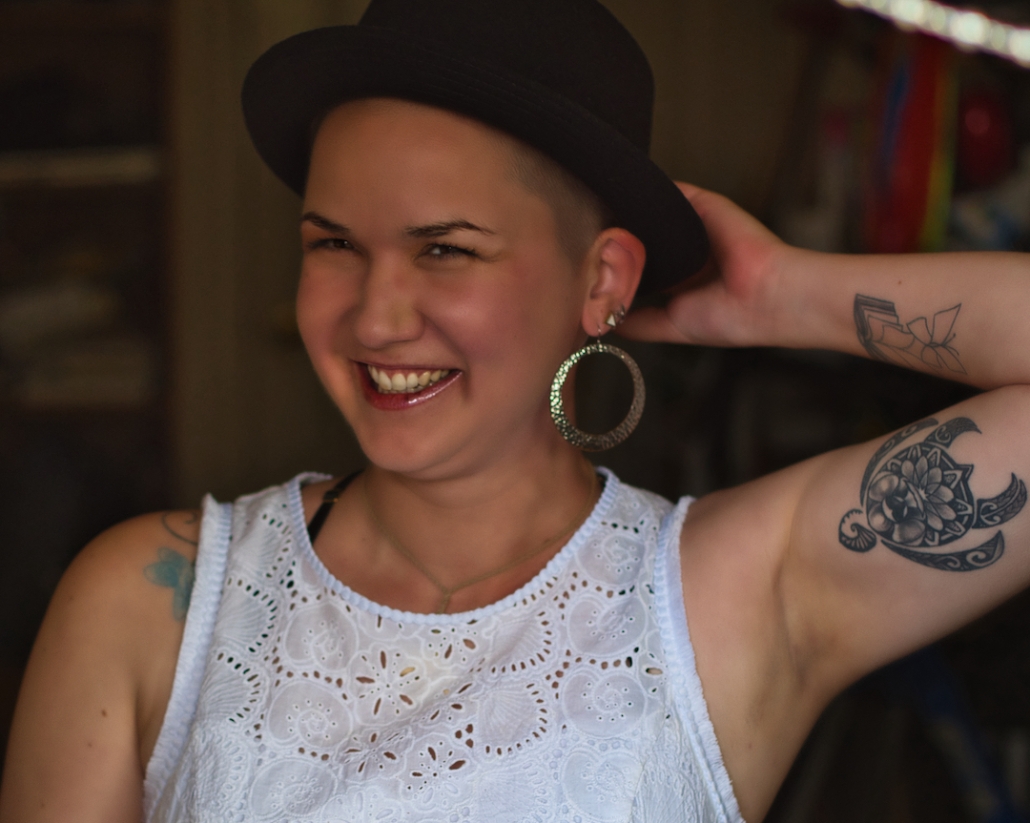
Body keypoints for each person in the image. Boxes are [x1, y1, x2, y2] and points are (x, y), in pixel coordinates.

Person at [2, 0, 1028, 821]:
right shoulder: (150, 606)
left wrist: (784, 296)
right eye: (333, 242)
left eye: (445, 249)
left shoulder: (727, 597)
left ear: (602, 283)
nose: (374, 312)